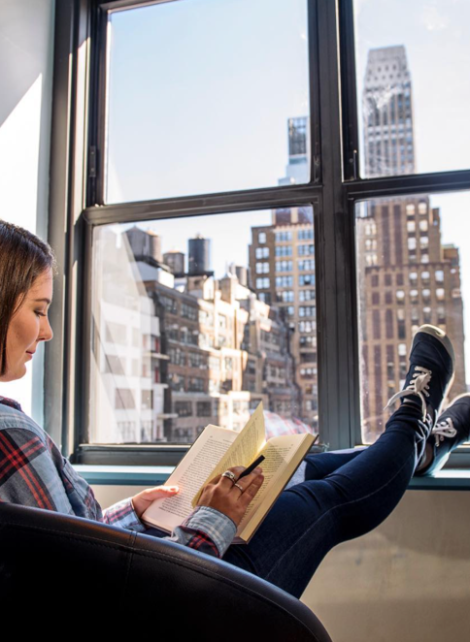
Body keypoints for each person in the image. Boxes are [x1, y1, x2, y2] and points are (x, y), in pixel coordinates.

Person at [1, 220, 469, 599]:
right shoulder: (8, 434)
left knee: (298, 470)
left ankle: (422, 443)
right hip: (175, 608)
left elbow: (63, 551)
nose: (47, 333)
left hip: (146, 580)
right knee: (324, 500)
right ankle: (415, 418)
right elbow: (87, 597)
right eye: (39, 311)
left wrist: (131, 513)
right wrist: (215, 520)